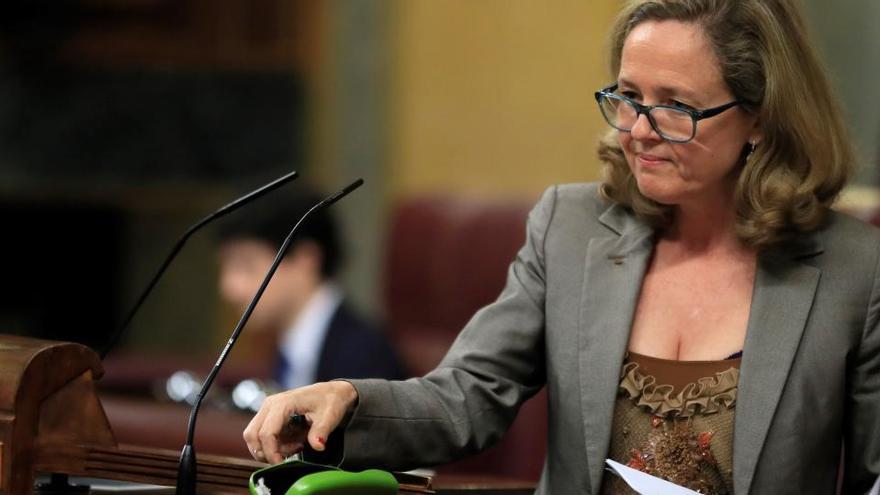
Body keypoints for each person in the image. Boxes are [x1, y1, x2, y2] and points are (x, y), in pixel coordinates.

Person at [243, 1, 880, 493]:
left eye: (676, 107)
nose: (639, 131)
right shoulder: (571, 227)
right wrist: (351, 401)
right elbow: (470, 393)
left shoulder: (855, 269)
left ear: (761, 117)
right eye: (628, 97)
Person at [216, 190, 405, 391]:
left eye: (245, 265)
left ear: (305, 259)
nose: (228, 288)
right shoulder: (287, 347)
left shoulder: (364, 355)